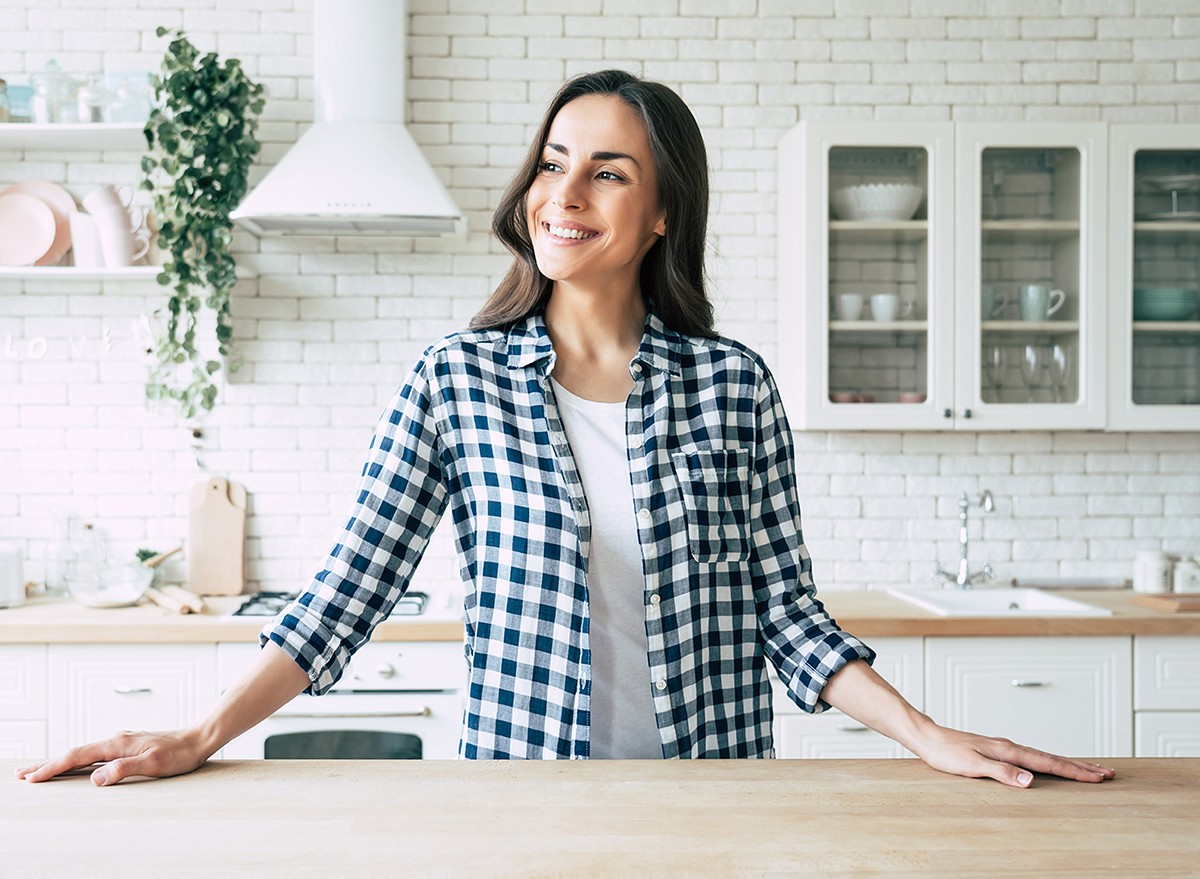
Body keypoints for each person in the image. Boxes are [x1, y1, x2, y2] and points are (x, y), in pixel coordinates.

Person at [18, 69, 1114, 786]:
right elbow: (344, 597)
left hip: (713, 790)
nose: (565, 191)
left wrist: (929, 734)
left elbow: (788, 617)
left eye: (608, 171)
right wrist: (203, 733)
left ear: (662, 211)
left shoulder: (732, 386)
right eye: (554, 162)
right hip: (521, 793)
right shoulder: (456, 380)